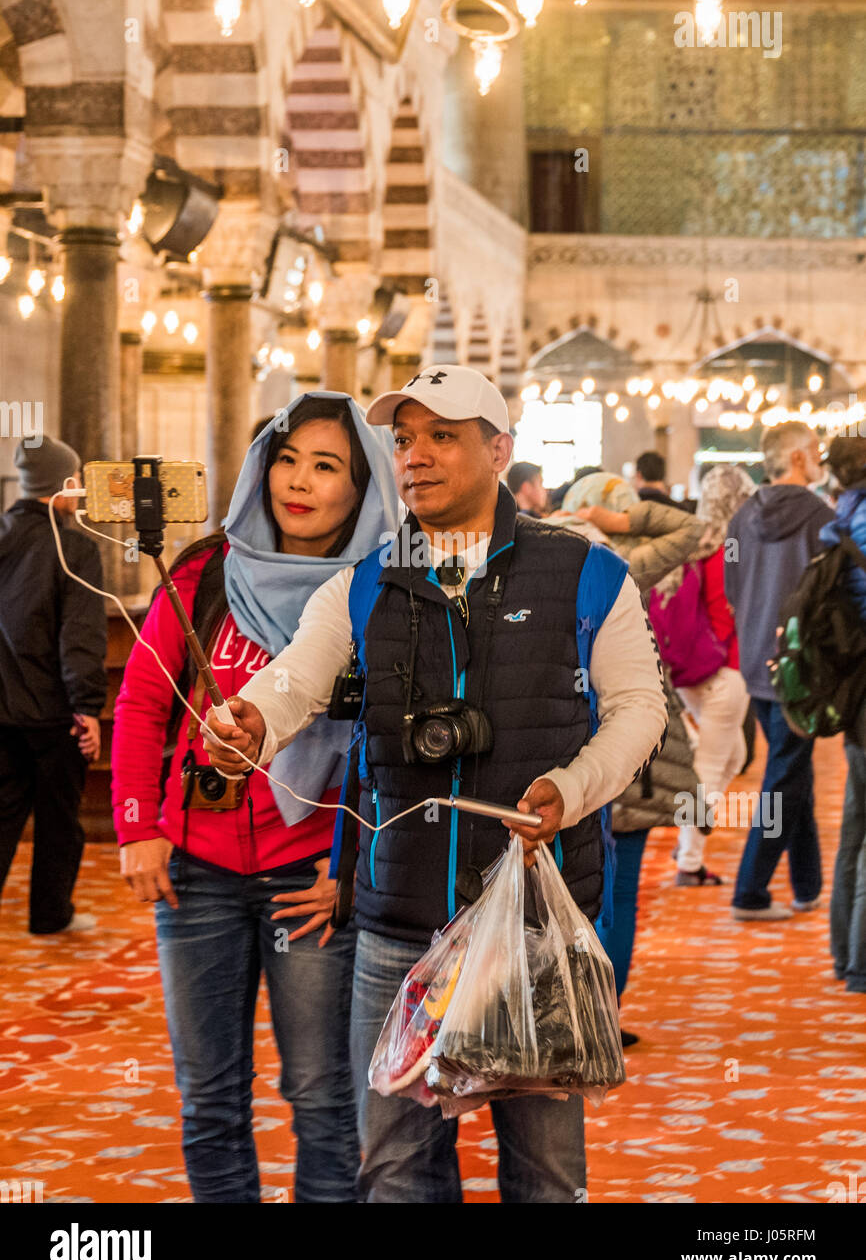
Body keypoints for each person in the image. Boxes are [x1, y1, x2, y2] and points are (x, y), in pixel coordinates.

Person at [205, 365, 668, 1204]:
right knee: (395, 1167)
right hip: (398, 924)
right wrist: (250, 725)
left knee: (545, 1173)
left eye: (441, 436)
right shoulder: (365, 582)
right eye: (404, 438)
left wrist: (572, 785)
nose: (415, 456)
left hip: (536, 921)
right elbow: (295, 682)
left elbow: (640, 709)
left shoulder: (583, 571)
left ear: (500, 450)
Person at [111, 394, 399, 1203]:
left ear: (361, 486)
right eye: (285, 457)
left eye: (326, 464)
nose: (297, 481)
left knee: (320, 1096)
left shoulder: (377, 592)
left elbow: (397, 752)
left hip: (310, 877)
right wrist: (137, 825)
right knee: (208, 1100)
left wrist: (357, 871)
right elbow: (140, 703)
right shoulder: (207, 571)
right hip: (195, 871)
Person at [554, 470, 704, 1042]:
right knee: (615, 892)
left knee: (550, 893)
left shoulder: (524, 557)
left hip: (549, 758)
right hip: (626, 763)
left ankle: (548, 1014)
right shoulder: (616, 566)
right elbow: (690, 528)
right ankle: (600, 1017)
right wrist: (623, 521)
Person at [726, 421, 835, 921]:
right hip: (799, 665)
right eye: (814, 450)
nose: (820, 458)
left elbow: (730, 583)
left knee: (791, 770)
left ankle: (807, 884)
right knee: (784, 776)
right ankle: (749, 891)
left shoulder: (741, 516)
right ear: (796, 458)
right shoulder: (822, 518)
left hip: (755, 659)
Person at [0, 436, 106, 934]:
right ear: (62, 485)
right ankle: (50, 914)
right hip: (52, 713)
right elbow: (79, 636)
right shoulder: (75, 547)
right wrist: (87, 708)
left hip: (1, 712)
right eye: (78, 479)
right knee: (59, 821)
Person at [651, 464, 755, 885]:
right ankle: (689, 861)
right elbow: (723, 609)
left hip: (691, 671)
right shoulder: (727, 547)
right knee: (712, 767)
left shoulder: (696, 540)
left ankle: (687, 835)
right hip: (724, 670)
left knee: (735, 756)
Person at [820, 435, 866, 991]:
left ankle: (845, 954)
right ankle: (859, 963)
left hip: (852, 687)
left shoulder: (839, 518)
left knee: (855, 826)